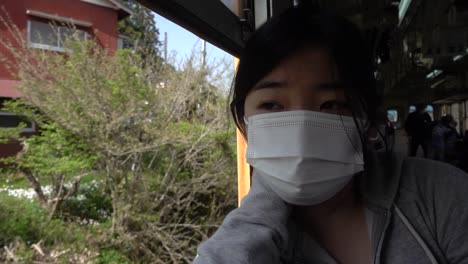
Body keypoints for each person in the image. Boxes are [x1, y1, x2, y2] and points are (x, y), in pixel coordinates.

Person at [194, 5, 468, 264]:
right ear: (244, 119)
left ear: (366, 119)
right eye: (272, 105)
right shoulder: (250, 242)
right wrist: (259, 212)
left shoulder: (441, 194)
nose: (301, 134)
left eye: (332, 104)